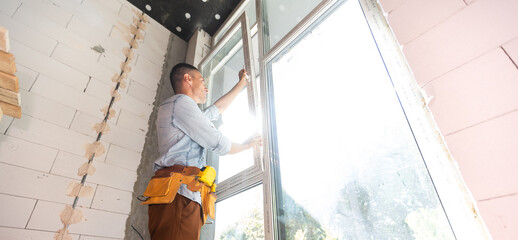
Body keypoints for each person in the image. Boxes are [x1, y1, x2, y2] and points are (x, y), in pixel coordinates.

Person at [147, 63, 261, 240]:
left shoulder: (180, 110)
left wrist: (241, 84)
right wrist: (245, 145)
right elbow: (217, 142)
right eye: (202, 80)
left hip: (179, 194)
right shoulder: (180, 103)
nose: (206, 87)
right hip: (179, 195)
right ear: (187, 79)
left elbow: (217, 110)